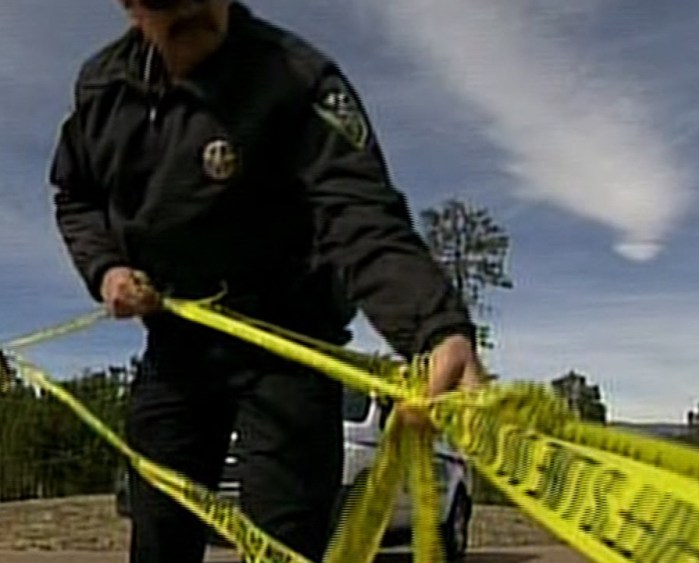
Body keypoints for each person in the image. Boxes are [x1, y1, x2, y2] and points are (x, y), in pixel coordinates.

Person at [48, 1, 485, 561]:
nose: (189, 6)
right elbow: (76, 195)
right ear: (131, 6)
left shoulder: (297, 77)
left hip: (290, 339)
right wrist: (106, 267)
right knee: (159, 531)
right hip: (177, 341)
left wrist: (434, 327)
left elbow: (359, 213)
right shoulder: (103, 87)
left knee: (286, 542)